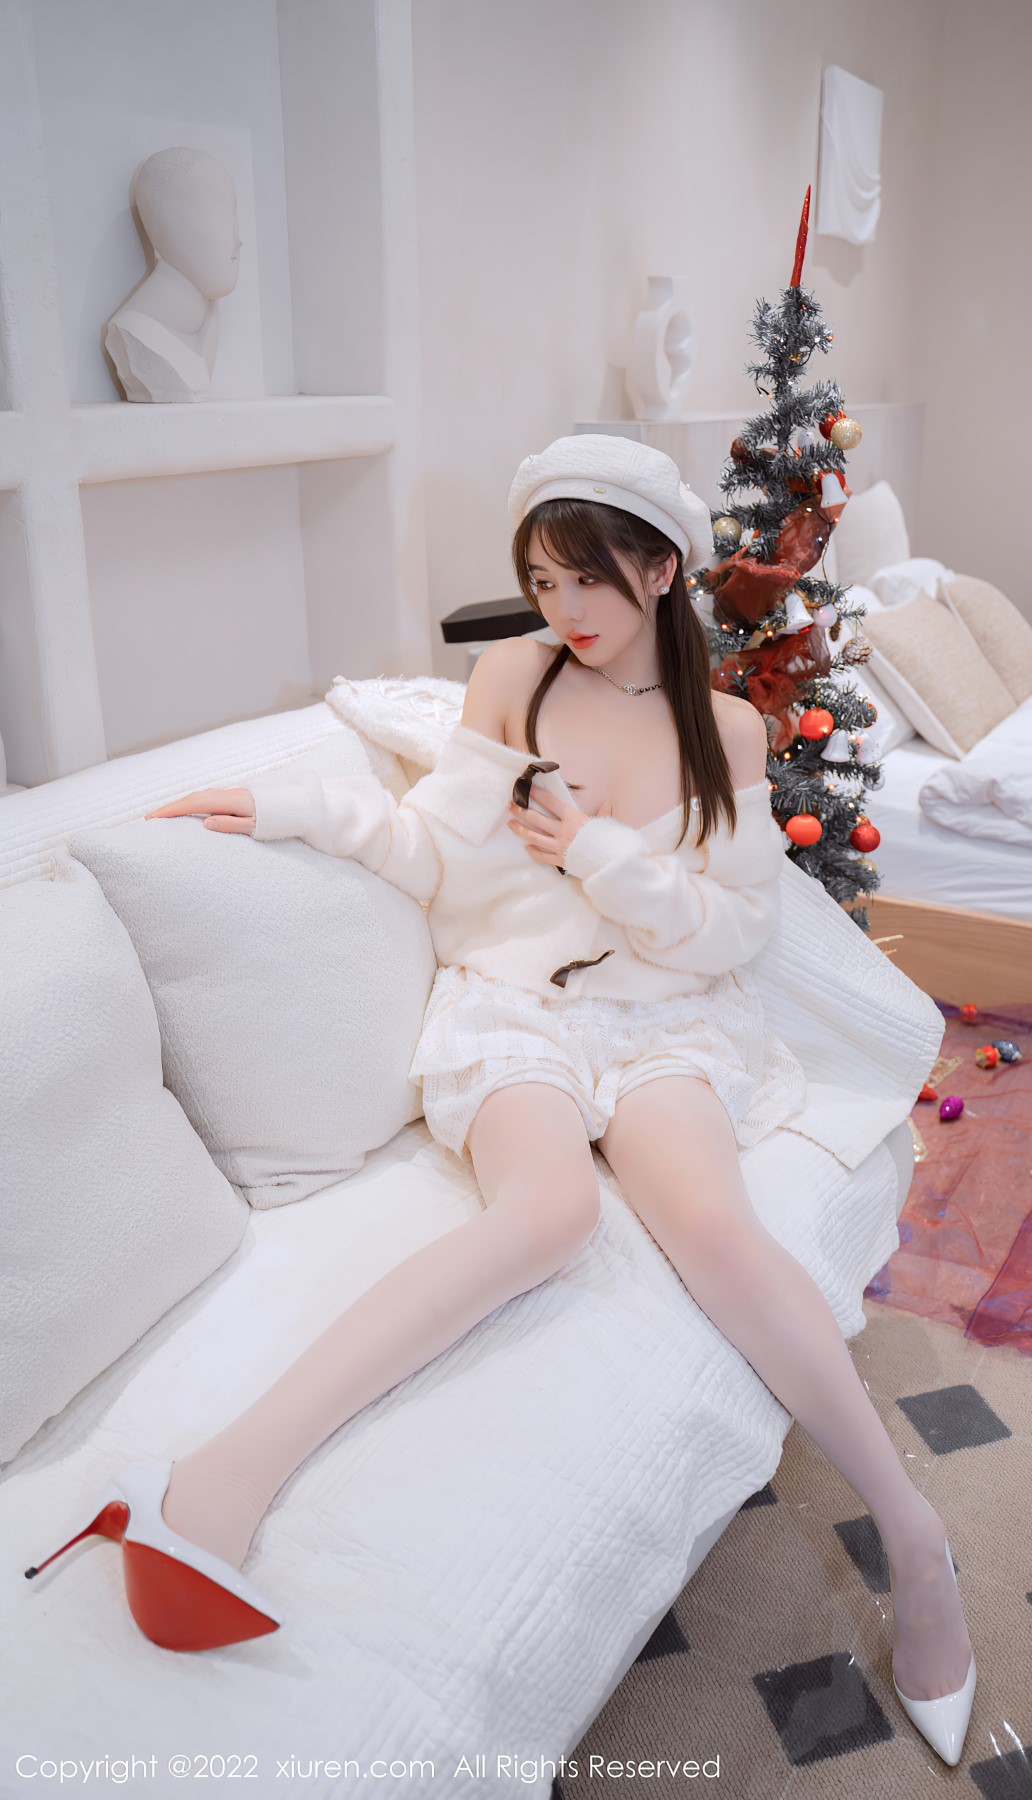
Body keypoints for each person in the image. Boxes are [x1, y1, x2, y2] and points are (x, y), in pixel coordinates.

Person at [26, 437, 975, 1764]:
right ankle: (203, 1486)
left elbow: (728, 932)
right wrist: (287, 808)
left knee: (714, 1228)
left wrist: (596, 851)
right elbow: (433, 845)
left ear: (660, 569)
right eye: (541, 581)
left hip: (666, 1016)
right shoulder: (515, 677)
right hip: (516, 1005)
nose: (562, 610)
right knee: (547, 1215)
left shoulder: (728, 729)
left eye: (587, 580)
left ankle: (914, 1540)